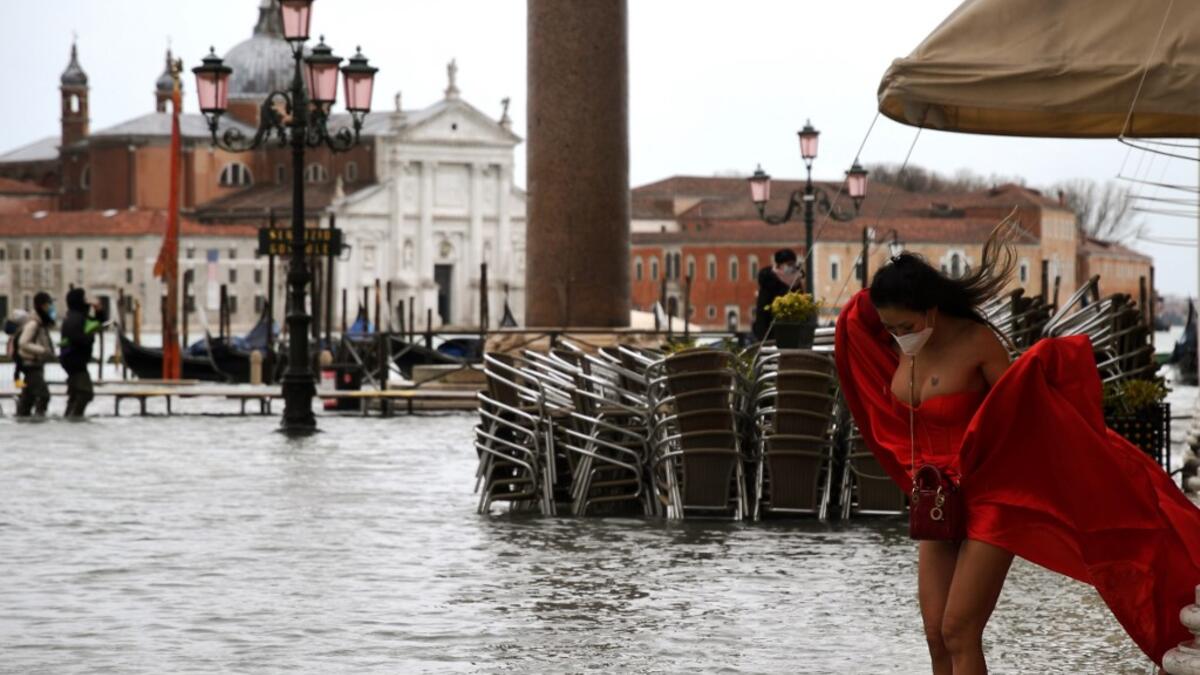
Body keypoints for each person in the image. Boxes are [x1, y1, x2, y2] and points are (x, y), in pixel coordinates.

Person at [835, 225, 1200, 673]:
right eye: (890, 329)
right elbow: (857, 318)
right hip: (937, 499)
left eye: (905, 326)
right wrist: (895, 278)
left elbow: (1021, 413)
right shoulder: (900, 340)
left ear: (930, 311)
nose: (897, 336)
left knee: (958, 630)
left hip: (993, 496)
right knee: (934, 633)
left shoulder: (977, 342)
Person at [59, 288, 107, 417]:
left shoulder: (78, 316)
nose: (87, 301)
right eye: (84, 299)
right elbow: (76, 338)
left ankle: (69, 416)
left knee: (75, 394)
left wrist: (99, 311)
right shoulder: (75, 318)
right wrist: (90, 338)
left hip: (74, 360)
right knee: (86, 392)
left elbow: (98, 324)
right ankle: (74, 417)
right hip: (74, 360)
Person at [16, 292, 55, 417]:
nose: (50, 307)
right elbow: (23, 342)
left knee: (29, 396)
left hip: (35, 364)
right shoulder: (34, 323)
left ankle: (22, 419)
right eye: (49, 304)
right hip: (31, 364)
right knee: (44, 395)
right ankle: (39, 420)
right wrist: (42, 351)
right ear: (42, 305)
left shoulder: (40, 322)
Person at [752, 248, 802, 341]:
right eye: (788, 264)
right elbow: (763, 312)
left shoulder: (796, 281)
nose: (792, 267)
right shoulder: (769, 282)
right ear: (779, 265)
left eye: (793, 264)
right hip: (771, 332)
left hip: (792, 331)